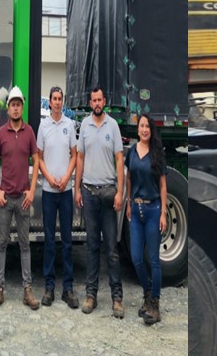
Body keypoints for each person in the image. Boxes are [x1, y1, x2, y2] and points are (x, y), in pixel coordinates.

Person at [76, 86, 127, 318]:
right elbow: (80, 158)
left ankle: (117, 298)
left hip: (108, 193)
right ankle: (91, 295)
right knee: (92, 246)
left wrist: (120, 192)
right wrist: (77, 188)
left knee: (112, 249)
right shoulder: (85, 126)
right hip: (88, 191)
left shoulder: (113, 126)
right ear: (90, 102)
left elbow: (119, 159)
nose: (97, 103)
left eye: (100, 99)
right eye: (93, 100)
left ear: (104, 101)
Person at [0, 86, 40, 310]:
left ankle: (27, 290)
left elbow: (36, 160)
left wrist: (31, 190)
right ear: (8, 107)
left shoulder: (29, 132)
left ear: (22, 107)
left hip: (22, 199)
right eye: (13, 104)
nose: (16, 108)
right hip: (5, 199)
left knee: (24, 245)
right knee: (1, 244)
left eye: (19, 104)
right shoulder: (2, 132)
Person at [37, 86, 79, 308]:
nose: (56, 102)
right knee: (49, 241)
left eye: (60, 99)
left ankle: (68, 288)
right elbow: (39, 157)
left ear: (63, 101)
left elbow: (75, 155)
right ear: (50, 102)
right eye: (53, 98)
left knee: (67, 241)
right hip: (48, 192)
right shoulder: (43, 126)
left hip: (65, 192)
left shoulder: (69, 125)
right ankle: (49, 287)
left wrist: (66, 178)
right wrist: (50, 178)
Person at [125, 114, 168, 326]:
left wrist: (163, 214)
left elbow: (162, 186)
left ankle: (155, 305)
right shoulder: (132, 152)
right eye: (141, 126)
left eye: (147, 126)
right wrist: (128, 202)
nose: (144, 130)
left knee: (153, 260)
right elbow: (129, 178)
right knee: (136, 258)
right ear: (138, 129)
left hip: (152, 210)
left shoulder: (157, 154)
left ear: (151, 130)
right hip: (136, 209)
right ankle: (148, 293)